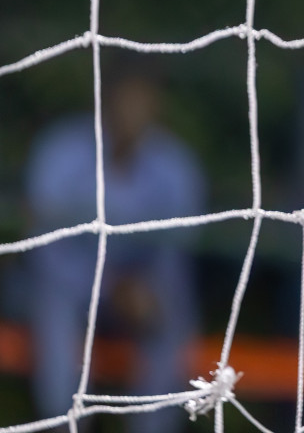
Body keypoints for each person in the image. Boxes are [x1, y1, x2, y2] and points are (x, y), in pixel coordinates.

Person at [26, 56, 206, 433]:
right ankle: (64, 423)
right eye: (128, 97)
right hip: (66, 290)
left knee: (171, 308)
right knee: (54, 305)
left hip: (136, 296)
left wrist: (142, 291)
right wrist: (105, 286)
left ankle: (153, 427)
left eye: (145, 99)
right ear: (106, 98)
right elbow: (46, 248)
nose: (135, 110)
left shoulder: (176, 167)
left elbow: (174, 254)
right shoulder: (61, 152)